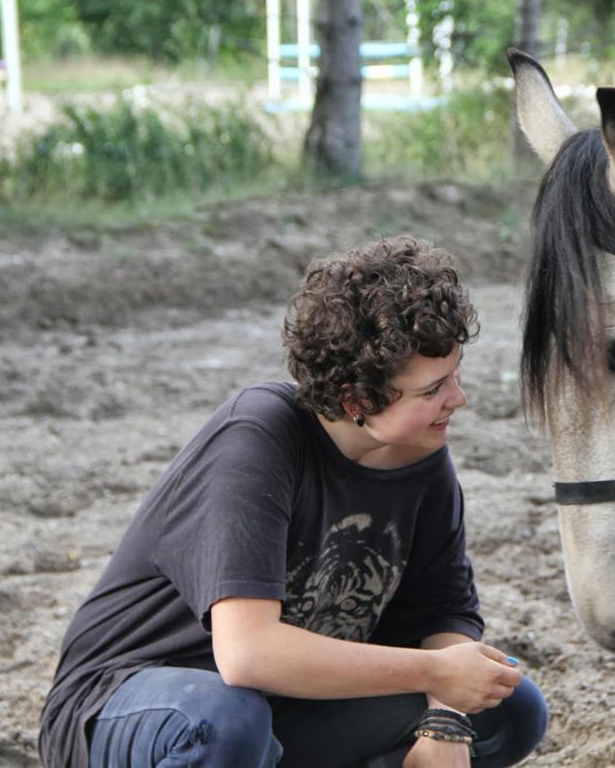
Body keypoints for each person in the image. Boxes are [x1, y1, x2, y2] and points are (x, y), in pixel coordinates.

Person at [38, 235, 548, 768]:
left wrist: (446, 717)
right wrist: (432, 674)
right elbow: (247, 655)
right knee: (224, 719)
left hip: (285, 708)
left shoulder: (418, 454)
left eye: (456, 374)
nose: (459, 399)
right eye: (432, 390)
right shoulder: (257, 436)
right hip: (135, 705)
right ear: (356, 400)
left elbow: (442, 610)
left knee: (508, 707)